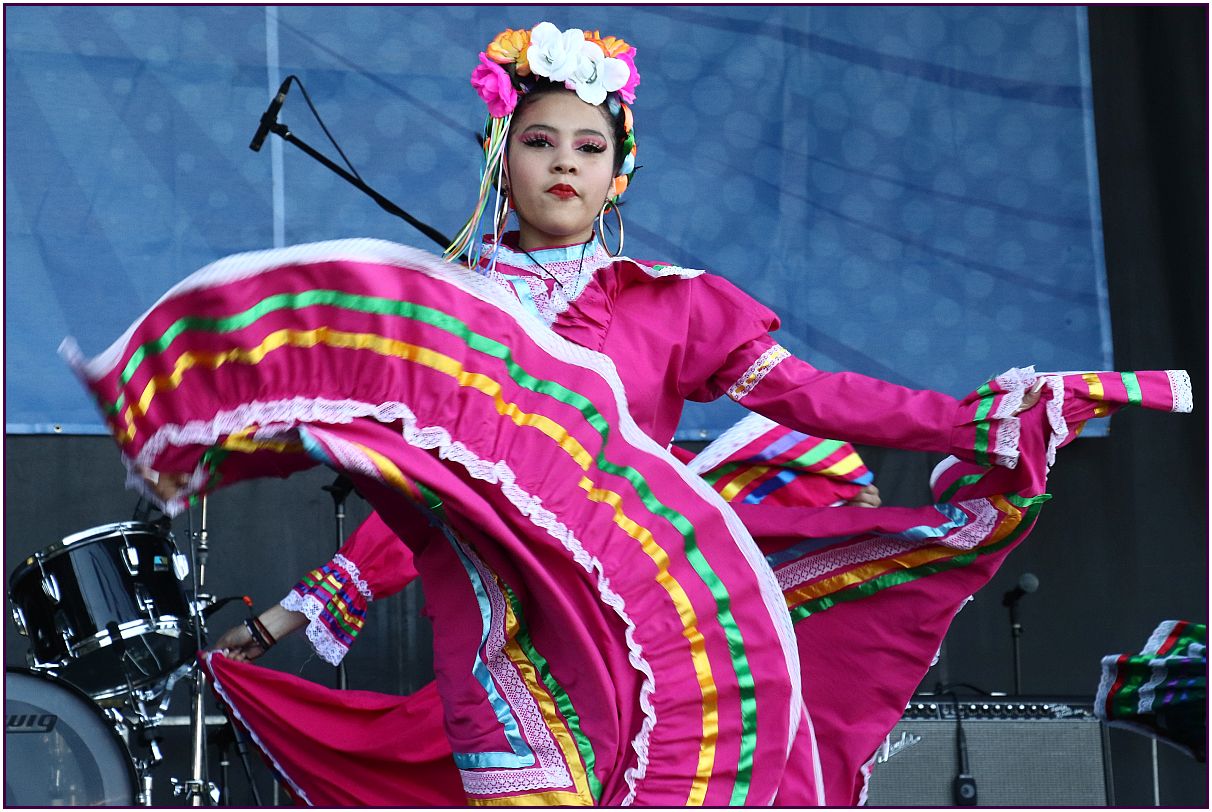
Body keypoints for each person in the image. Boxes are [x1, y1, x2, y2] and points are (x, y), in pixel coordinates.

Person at [86, 21, 1190, 806]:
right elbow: (424, 490)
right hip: (498, 637)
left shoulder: (671, 306)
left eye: (589, 146)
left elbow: (821, 398)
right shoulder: (452, 322)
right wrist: (288, 611)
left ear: (619, 174)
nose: (564, 163)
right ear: (500, 157)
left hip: (645, 640)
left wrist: (972, 423)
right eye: (540, 141)